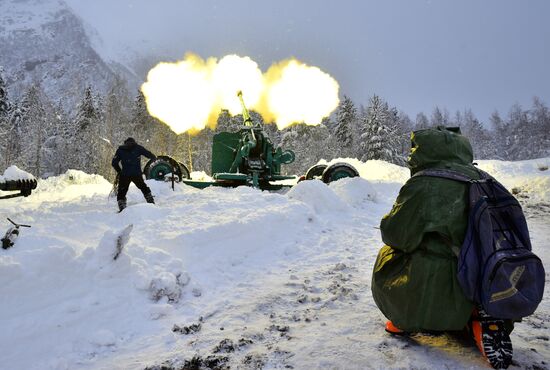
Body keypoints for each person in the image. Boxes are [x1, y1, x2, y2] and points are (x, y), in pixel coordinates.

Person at [371, 126, 513, 369]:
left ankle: (405, 318)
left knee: (389, 256)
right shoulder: (484, 179)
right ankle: (478, 318)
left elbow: (396, 234)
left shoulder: (423, 183)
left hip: (440, 281)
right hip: (490, 280)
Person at [111, 137, 156, 212]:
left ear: (125, 142)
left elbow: (114, 163)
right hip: (137, 174)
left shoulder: (120, 150)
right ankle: (150, 201)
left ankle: (122, 206)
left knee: (122, 191)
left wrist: (119, 172)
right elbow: (152, 156)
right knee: (143, 187)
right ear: (134, 142)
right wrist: (148, 166)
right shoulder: (138, 148)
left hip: (125, 174)